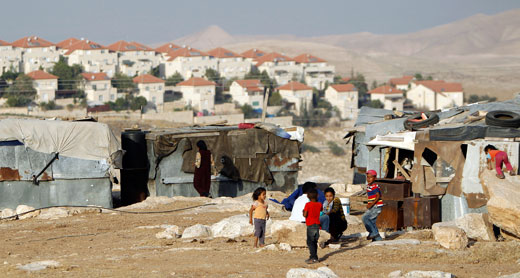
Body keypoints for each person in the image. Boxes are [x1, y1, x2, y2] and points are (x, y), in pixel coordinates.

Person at [362, 170, 383, 242]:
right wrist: (369, 203)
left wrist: (371, 204)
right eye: (367, 177)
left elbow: (378, 195)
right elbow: (371, 197)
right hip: (373, 206)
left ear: (375, 178)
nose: (368, 179)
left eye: (370, 177)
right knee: (372, 222)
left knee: (365, 218)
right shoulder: (369, 186)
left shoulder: (375, 186)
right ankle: (377, 239)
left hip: (376, 206)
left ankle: (374, 233)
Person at [303, 188, 322, 264]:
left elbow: (305, 214)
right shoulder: (319, 204)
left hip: (310, 225)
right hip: (317, 225)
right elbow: (320, 212)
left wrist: (303, 212)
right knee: (314, 241)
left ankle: (313, 257)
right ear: (317, 195)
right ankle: (315, 257)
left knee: (310, 242)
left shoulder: (308, 204)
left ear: (308, 196)